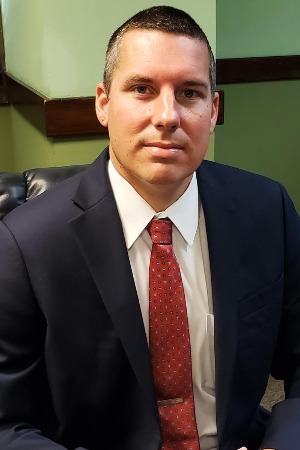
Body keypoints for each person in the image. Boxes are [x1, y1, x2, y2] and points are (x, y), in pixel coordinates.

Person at [0, 5, 299, 450]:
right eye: (142, 89)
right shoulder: (26, 244)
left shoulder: (266, 209)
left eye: (190, 93)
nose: (167, 117)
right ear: (103, 103)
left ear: (213, 110)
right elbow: (8, 424)